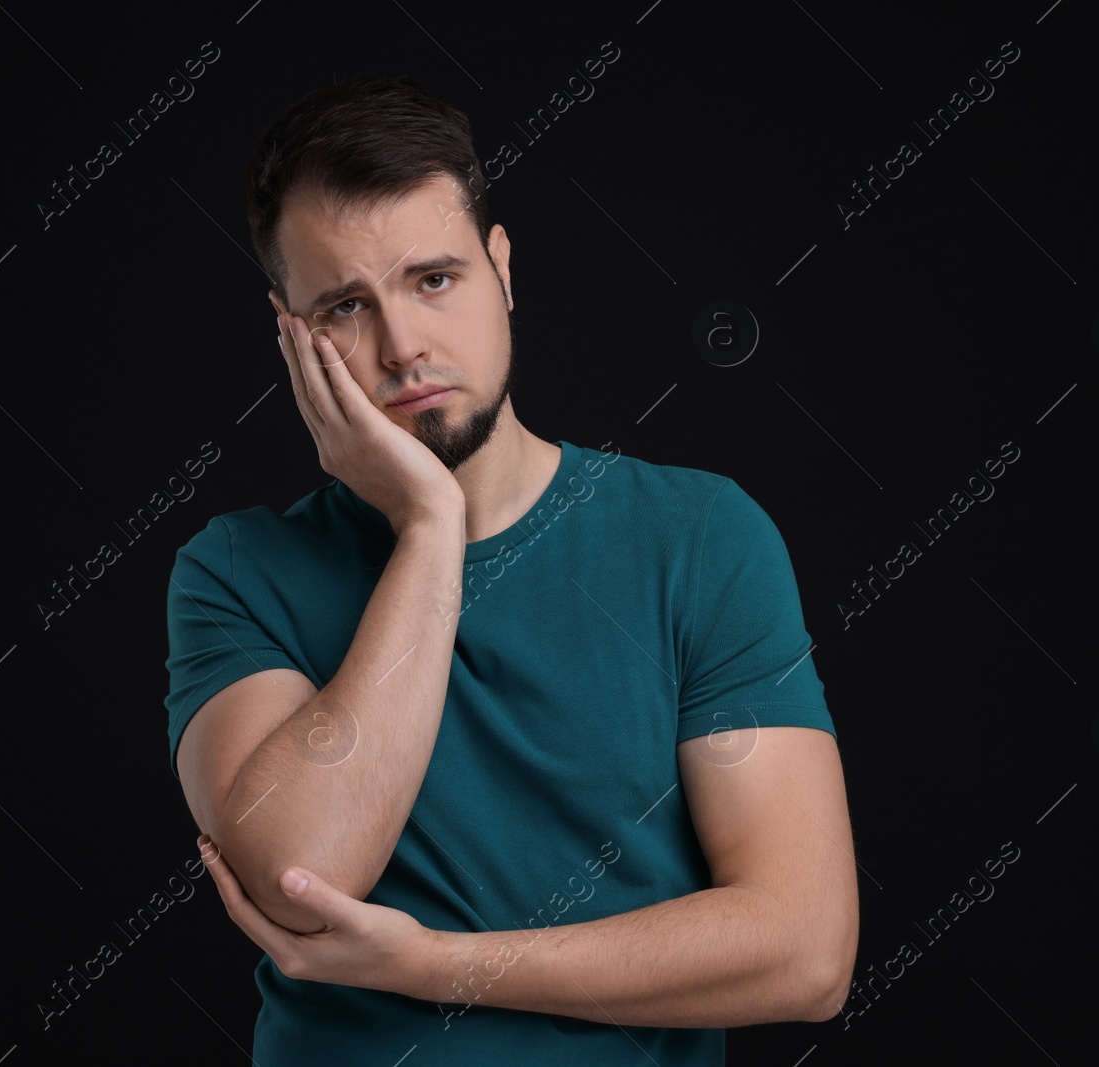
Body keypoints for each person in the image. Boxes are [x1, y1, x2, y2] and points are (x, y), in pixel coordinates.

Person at [163, 74, 859, 1064]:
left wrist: (434, 962)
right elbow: (301, 877)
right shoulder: (237, 571)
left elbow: (803, 953)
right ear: (291, 333)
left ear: (501, 268)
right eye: (347, 307)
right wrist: (430, 527)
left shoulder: (699, 534)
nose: (403, 345)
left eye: (433, 279)